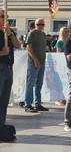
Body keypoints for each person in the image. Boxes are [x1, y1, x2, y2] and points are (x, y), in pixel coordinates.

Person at [0, 10, 21, 142]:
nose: (3, 18)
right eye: (1, 16)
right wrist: (2, 53)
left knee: (4, 101)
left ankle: (1, 126)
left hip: (8, 68)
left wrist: (10, 34)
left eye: (4, 16)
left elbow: (18, 45)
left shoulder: (8, 32)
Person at [24, 18, 49, 113]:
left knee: (39, 84)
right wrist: (35, 59)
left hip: (42, 62)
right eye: (39, 24)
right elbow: (28, 48)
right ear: (35, 24)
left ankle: (37, 104)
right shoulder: (32, 33)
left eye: (42, 24)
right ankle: (28, 104)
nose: (40, 26)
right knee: (30, 83)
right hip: (33, 62)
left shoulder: (43, 34)